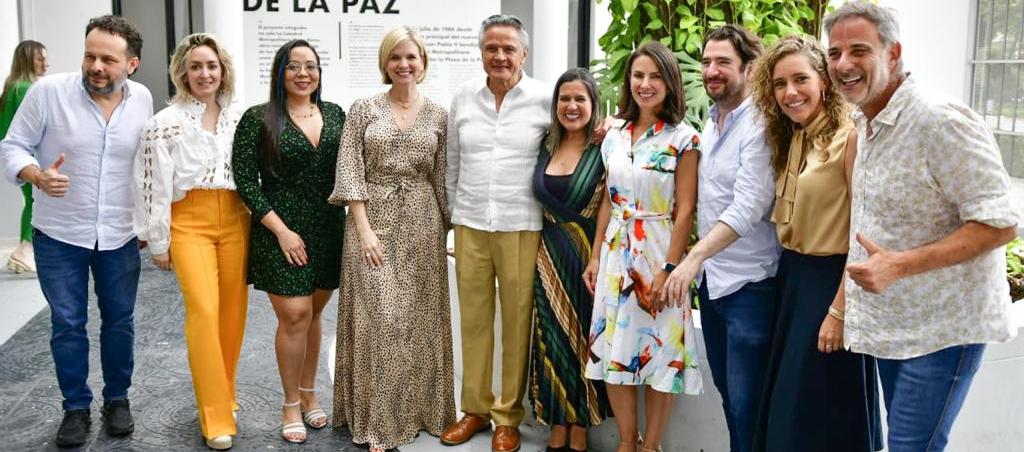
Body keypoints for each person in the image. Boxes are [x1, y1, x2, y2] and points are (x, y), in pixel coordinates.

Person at [823, 3, 1019, 451]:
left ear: (893, 54)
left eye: (859, 50)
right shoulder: (864, 122)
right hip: (892, 328)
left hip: (942, 332)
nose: (843, 65)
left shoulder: (939, 120)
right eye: (834, 53)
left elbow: (1002, 224)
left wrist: (902, 265)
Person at [0, 15, 151, 448]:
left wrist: (146, 219)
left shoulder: (141, 98)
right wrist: (36, 174)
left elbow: (144, 163)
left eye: (108, 58)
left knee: (119, 321)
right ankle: (75, 407)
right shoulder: (48, 93)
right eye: (90, 55)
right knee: (68, 323)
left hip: (119, 234)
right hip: (59, 233)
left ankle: (117, 399)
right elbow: (12, 145)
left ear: (132, 64)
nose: (96, 66)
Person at [747, 35, 881, 452]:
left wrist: (839, 310)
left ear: (824, 80)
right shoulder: (793, 137)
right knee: (789, 408)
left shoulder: (850, 138)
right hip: (793, 282)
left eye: (800, 79)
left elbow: (864, 233)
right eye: (781, 83)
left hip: (831, 285)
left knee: (821, 410)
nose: (790, 92)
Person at [327, 25, 455, 452]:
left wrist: (449, 228)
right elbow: (349, 170)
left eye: (411, 57)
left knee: (419, 323)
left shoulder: (439, 114)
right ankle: (378, 422)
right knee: (380, 320)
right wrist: (363, 230)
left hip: (423, 224)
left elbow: (441, 178)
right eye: (396, 57)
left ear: (423, 63)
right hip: (372, 222)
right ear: (385, 62)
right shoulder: (363, 108)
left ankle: (422, 412)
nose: (404, 64)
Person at [661, 25, 779, 452]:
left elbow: (748, 207)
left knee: (750, 405)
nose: (711, 70)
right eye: (707, 61)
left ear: (749, 68)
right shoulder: (712, 123)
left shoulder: (761, 124)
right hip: (714, 287)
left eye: (723, 62)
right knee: (731, 400)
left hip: (751, 286)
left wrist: (692, 258)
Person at [584, 41, 702, 452]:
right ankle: (627, 443)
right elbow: (607, 201)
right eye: (638, 75)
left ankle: (651, 445)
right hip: (616, 254)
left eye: (654, 76)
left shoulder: (685, 138)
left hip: (659, 252)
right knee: (614, 347)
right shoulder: (613, 133)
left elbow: (685, 210)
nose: (645, 84)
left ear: (669, 82)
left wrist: (670, 268)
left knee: (661, 353)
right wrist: (596, 255)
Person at [441, 14, 551, 452]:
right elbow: (451, 162)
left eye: (508, 49)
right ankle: (475, 409)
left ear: (524, 53)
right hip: (470, 223)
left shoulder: (545, 98)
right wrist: (452, 219)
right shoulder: (464, 98)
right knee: (473, 321)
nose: (500, 56)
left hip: (522, 224)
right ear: (482, 52)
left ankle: (508, 415)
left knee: (517, 323)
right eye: (492, 48)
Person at [132, 33, 246, 451]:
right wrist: (157, 239)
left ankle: (226, 395)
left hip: (236, 218)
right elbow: (152, 186)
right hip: (188, 222)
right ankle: (213, 414)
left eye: (211, 66)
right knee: (203, 310)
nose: (204, 73)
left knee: (232, 314)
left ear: (222, 70)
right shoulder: (164, 123)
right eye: (195, 66)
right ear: (182, 71)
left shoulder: (238, 118)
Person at [232, 39, 345, 444]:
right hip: (279, 228)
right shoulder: (258, 118)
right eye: (293, 66)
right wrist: (281, 231)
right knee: (294, 314)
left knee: (314, 314)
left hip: (329, 226)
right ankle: (290, 402)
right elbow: (246, 181)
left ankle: (312, 394)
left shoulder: (335, 114)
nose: (303, 74)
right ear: (279, 72)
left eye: (310, 66)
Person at [529, 68, 611, 452]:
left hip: (586, 258)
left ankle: (579, 428)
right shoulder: (545, 144)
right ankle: (557, 426)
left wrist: (595, 257)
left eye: (580, 99)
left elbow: (612, 203)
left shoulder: (606, 146)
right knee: (551, 339)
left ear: (593, 105)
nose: (572, 106)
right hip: (546, 256)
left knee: (581, 341)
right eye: (565, 99)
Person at [1, 39, 47, 273]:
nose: (45, 63)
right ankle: (25, 251)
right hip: (29, 157)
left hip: (15, 156)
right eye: (40, 58)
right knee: (35, 201)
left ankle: (24, 251)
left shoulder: (13, 85)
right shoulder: (26, 89)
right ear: (28, 60)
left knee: (29, 201)